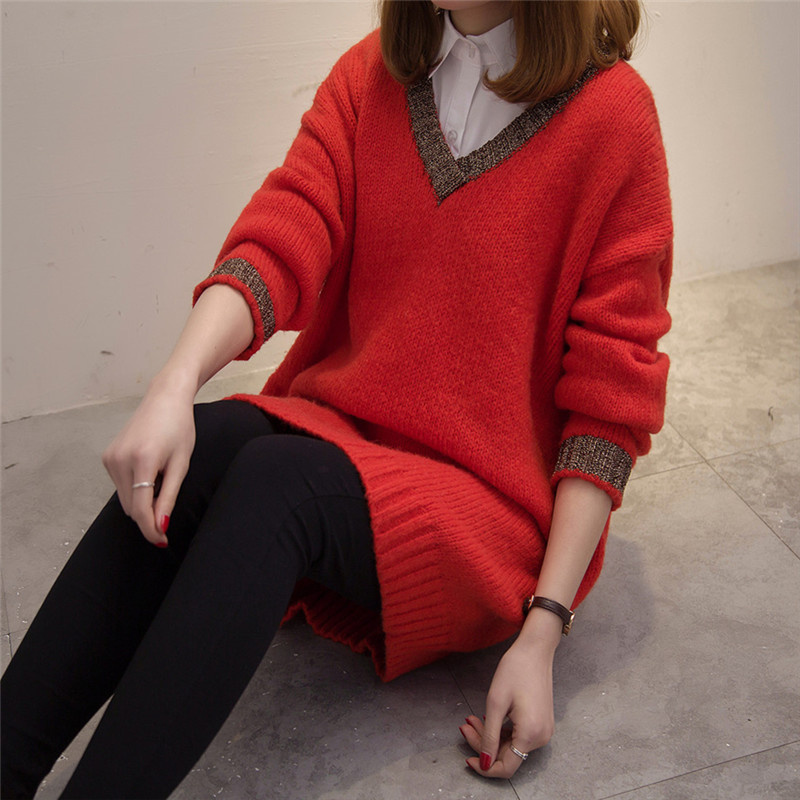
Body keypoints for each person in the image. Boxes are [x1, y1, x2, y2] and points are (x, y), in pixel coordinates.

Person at [1, 0, 672, 796]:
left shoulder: (614, 117)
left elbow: (610, 402)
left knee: (276, 485)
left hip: (489, 511)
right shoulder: (373, 74)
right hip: (348, 436)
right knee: (203, 445)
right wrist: (172, 386)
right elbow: (285, 231)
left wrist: (542, 631)